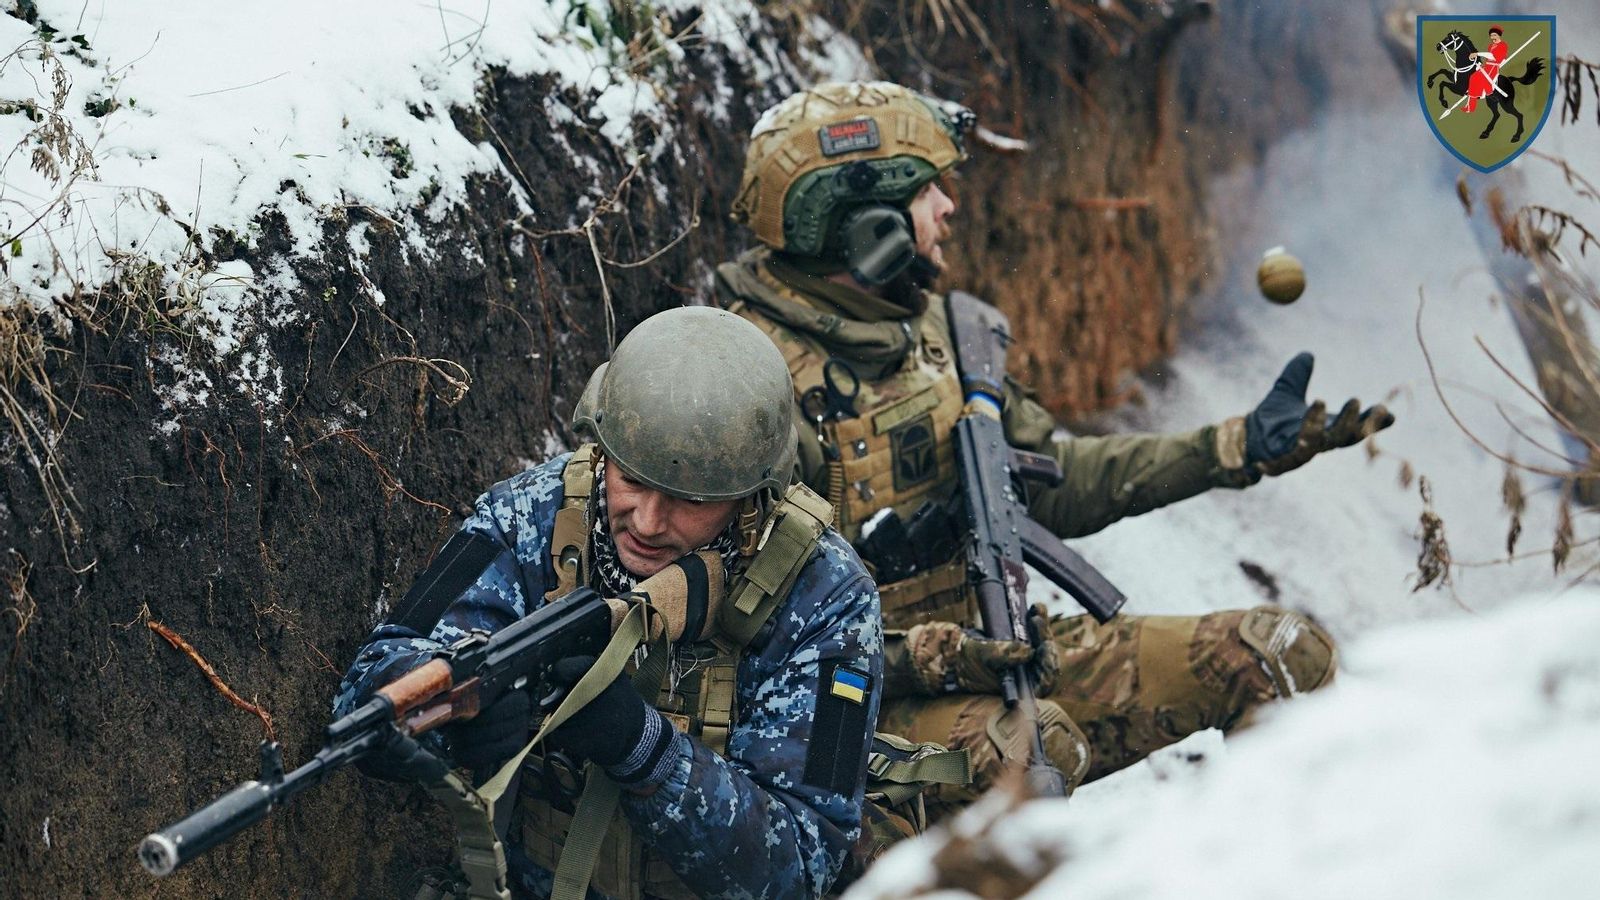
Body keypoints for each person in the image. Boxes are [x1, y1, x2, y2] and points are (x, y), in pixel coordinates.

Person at [717, 81, 1394, 817]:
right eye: (926, 191)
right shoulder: (748, 383)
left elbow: (1049, 486)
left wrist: (1231, 448)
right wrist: (906, 610)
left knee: (1279, 654)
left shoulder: (939, 335)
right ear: (866, 225)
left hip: (1001, 652)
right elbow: (748, 639)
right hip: (848, 707)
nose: (950, 206)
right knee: (1031, 750)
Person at [333, 307, 883, 899]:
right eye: (634, 480)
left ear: (750, 499)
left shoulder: (825, 596)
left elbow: (804, 866)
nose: (647, 522)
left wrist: (645, 750)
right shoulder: (532, 514)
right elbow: (369, 685)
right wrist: (457, 716)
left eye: (687, 499)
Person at [1466, 25, 1509, 114]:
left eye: (1494, 35)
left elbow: (1492, 56)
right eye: (1491, 35)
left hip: (1493, 67)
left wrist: (1477, 54)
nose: (1493, 37)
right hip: (1487, 66)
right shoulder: (1491, 46)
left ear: (1499, 35)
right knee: (1473, 77)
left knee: (1484, 80)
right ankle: (1470, 106)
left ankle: (1489, 93)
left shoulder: (1503, 45)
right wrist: (1481, 65)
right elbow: (1488, 58)